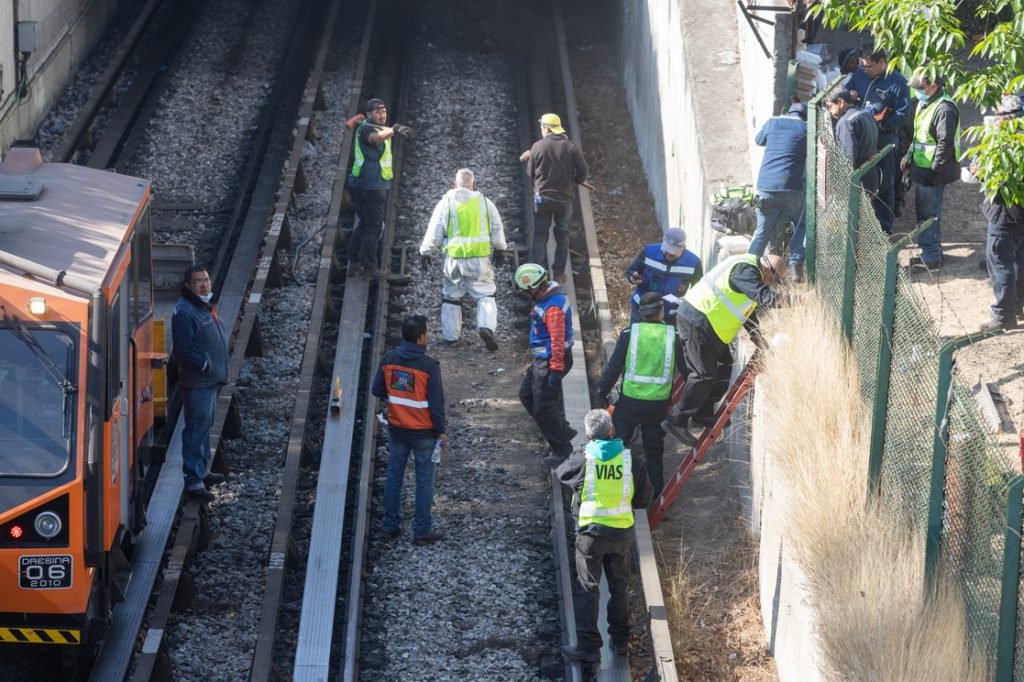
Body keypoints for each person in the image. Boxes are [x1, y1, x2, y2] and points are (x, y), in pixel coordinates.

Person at [556, 409, 654, 663]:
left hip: (590, 534)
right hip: (621, 534)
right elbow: (644, 498)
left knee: (588, 586)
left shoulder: (584, 458)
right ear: (612, 431)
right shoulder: (632, 460)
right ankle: (620, 641)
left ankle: (589, 647)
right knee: (619, 587)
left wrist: (581, 450)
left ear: (589, 435)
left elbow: (562, 473)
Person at [663, 254, 786, 445]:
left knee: (725, 364)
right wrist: (799, 300)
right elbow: (766, 298)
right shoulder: (746, 271)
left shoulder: (750, 273)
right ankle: (676, 419)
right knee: (703, 375)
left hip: (709, 326)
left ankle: (702, 414)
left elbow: (747, 311)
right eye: (775, 279)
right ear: (768, 269)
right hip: (698, 319)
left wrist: (758, 338)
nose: (773, 284)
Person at [597, 292, 684, 496]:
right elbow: (687, 370)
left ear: (641, 313)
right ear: (661, 311)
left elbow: (614, 367)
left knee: (617, 446)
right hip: (657, 406)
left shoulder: (630, 333)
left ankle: (613, 492)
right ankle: (654, 499)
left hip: (630, 403)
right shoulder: (673, 335)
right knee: (654, 453)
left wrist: (602, 392)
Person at [371, 314, 446, 545]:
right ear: (422, 336)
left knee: (394, 476)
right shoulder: (429, 366)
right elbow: (436, 404)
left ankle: (390, 525)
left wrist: (398, 399)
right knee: (424, 481)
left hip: (397, 430)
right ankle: (421, 530)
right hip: (423, 433)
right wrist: (441, 431)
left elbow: (377, 390)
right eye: (428, 331)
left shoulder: (389, 359)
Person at [419, 168, 507, 350]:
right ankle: (486, 327)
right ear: (474, 184)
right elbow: (497, 226)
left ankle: (451, 338)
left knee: (451, 296)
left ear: (454, 184)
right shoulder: (485, 203)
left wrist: (425, 251)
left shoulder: (446, 203)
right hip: (479, 260)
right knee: (485, 294)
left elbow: (434, 229)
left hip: (454, 260)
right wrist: (500, 248)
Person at [171, 266, 228, 503]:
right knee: (196, 428)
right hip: (198, 383)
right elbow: (183, 350)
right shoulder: (185, 312)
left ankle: (202, 470)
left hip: (210, 380)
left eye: (206, 280)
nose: (204, 285)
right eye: (198, 282)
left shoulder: (203, 305)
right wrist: (205, 365)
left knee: (205, 425)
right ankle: (193, 481)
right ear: (188, 286)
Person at [514, 263, 577, 465]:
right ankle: (562, 429)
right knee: (527, 395)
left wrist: (555, 370)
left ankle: (562, 449)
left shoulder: (553, 307)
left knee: (543, 407)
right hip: (543, 359)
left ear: (535, 287)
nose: (526, 295)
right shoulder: (548, 298)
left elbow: (557, 340)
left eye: (526, 291)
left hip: (551, 360)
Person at [347, 98, 411, 284]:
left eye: (383, 111)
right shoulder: (368, 129)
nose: (382, 115)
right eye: (377, 111)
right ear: (368, 114)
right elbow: (374, 139)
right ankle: (370, 268)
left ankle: (353, 261)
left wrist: (391, 129)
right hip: (371, 186)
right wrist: (394, 130)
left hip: (362, 184)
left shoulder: (368, 125)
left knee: (364, 223)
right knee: (374, 227)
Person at [846, 48, 911, 233]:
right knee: (860, 181)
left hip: (884, 139)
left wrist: (881, 123)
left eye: (869, 67)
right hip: (861, 139)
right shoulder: (859, 75)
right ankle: (858, 225)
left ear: (882, 62)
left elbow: (903, 114)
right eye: (863, 66)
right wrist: (849, 96)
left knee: (885, 183)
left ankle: (883, 227)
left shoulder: (897, 82)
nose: (865, 69)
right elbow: (845, 92)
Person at [903, 69, 961, 270]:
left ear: (934, 86)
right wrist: (909, 156)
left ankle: (931, 257)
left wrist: (934, 171)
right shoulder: (925, 103)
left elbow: (945, 144)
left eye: (920, 88)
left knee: (928, 214)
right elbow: (919, 135)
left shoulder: (944, 109)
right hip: (923, 167)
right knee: (925, 213)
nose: (916, 92)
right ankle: (932, 252)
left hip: (933, 172)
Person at [520, 113, 589, 280]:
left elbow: (530, 173)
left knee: (540, 235)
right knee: (562, 235)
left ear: (546, 128)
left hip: (541, 198)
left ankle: (535, 273)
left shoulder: (537, 147)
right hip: (564, 200)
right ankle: (558, 274)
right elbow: (584, 171)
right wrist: (575, 181)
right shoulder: (571, 147)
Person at [976, 93, 1024, 331]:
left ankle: (1003, 315)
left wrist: (978, 168)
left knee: (1000, 261)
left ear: (1009, 117)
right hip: (1019, 212)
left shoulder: (1003, 144)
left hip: (1005, 213)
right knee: (1019, 260)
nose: (995, 119)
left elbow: (989, 173)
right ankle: (1016, 307)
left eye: (999, 115)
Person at [748, 102, 808, 281]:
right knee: (802, 223)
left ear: (787, 112)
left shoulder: (773, 122)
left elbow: (759, 140)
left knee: (762, 232)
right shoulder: (807, 128)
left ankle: (747, 269)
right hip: (791, 188)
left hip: (765, 188)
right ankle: (796, 267)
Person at [625, 227, 702, 324]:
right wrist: (632, 277)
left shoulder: (693, 263)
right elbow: (631, 270)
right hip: (642, 311)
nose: (668, 255)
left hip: (671, 316)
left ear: (683, 248)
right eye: (666, 250)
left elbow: (699, 289)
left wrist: (689, 299)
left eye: (672, 253)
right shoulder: (649, 252)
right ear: (663, 241)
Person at [826, 88, 880, 195]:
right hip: (871, 177)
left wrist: (841, 186)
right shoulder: (866, 115)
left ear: (841, 102)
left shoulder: (846, 122)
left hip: (856, 183)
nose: (831, 113)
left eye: (831, 106)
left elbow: (847, 159)